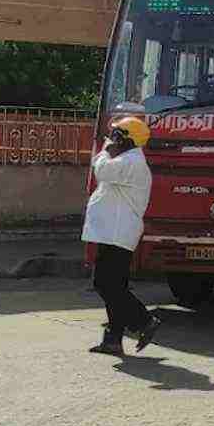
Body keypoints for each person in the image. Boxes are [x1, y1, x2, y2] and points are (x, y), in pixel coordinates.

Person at [83, 116, 160, 356]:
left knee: (106, 284)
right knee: (114, 286)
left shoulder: (131, 162)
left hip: (118, 233)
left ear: (127, 140)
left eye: (116, 135)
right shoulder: (126, 160)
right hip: (113, 232)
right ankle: (114, 340)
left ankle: (144, 321)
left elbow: (101, 170)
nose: (110, 140)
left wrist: (105, 150)